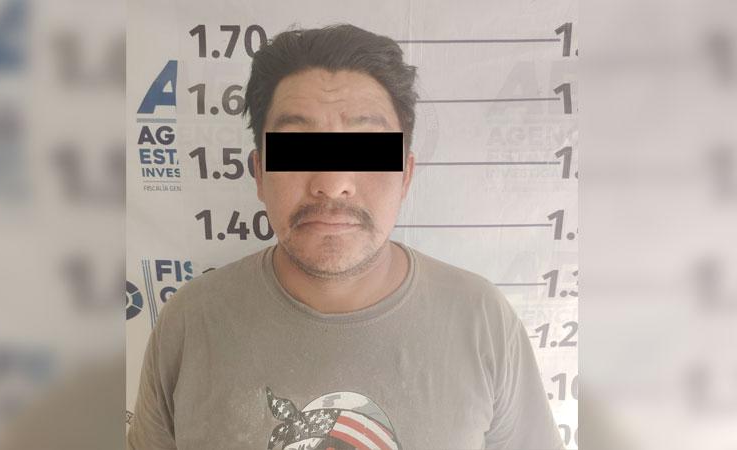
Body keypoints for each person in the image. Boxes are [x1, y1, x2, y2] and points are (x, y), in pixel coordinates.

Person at [128, 24, 566, 450]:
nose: (332, 182)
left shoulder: (483, 321)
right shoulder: (189, 323)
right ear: (259, 173)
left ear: (405, 174)